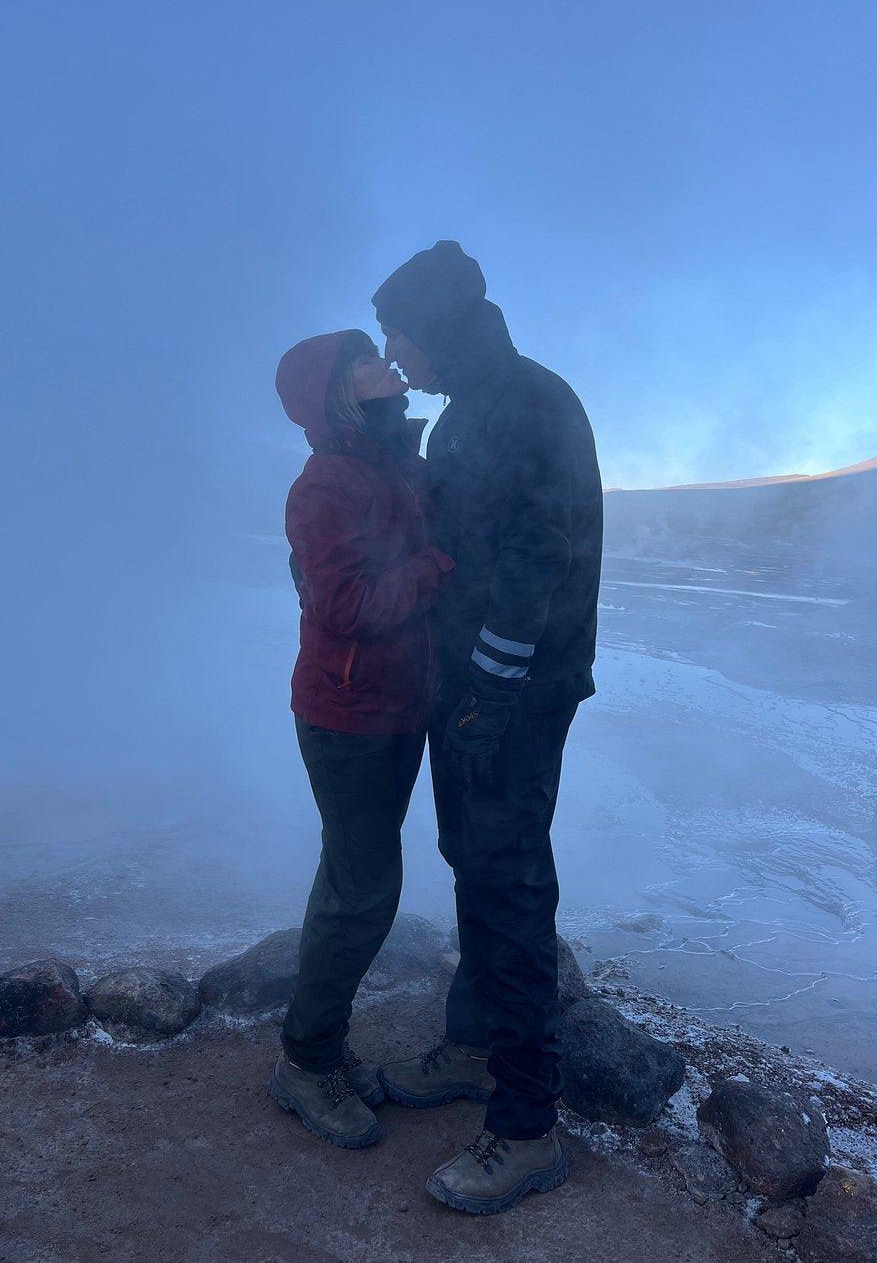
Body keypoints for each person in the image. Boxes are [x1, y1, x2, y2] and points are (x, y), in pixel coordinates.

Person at [372, 241, 603, 1215]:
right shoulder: (467, 412)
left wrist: (491, 691)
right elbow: (446, 539)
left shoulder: (528, 405)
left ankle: (527, 1127)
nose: (393, 353)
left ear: (438, 327)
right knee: (473, 861)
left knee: (509, 883)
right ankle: (473, 1047)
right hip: (470, 684)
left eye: (399, 333)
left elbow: (536, 560)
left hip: (515, 692)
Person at [270, 329, 454, 1149]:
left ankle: (317, 1046)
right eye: (366, 359)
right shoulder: (325, 484)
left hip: (393, 708)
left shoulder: (392, 464)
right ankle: (306, 1062)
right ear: (340, 389)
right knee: (363, 888)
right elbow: (348, 607)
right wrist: (441, 564)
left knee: (354, 877)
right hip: (347, 717)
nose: (387, 361)